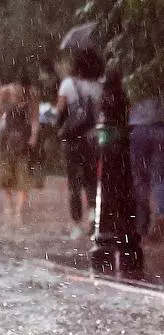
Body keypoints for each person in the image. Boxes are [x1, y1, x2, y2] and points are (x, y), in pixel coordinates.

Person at [55, 48, 104, 239]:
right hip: (93, 139)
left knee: (74, 184)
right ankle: (94, 219)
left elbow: (59, 111)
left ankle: (76, 226)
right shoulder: (99, 85)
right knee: (92, 182)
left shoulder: (69, 83)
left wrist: (59, 124)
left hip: (73, 140)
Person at [0, 81, 39, 222]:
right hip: (7, 145)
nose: (14, 93)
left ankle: (18, 210)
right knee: (6, 178)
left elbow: (34, 121)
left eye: (16, 91)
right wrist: (0, 96)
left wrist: (33, 137)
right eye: (12, 91)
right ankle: (8, 206)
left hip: (22, 145)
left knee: (22, 179)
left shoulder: (28, 106)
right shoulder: (6, 106)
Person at [128, 94, 164, 241]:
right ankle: (161, 212)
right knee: (160, 177)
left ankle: (141, 224)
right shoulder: (154, 74)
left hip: (139, 130)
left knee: (140, 179)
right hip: (161, 129)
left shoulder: (135, 79)